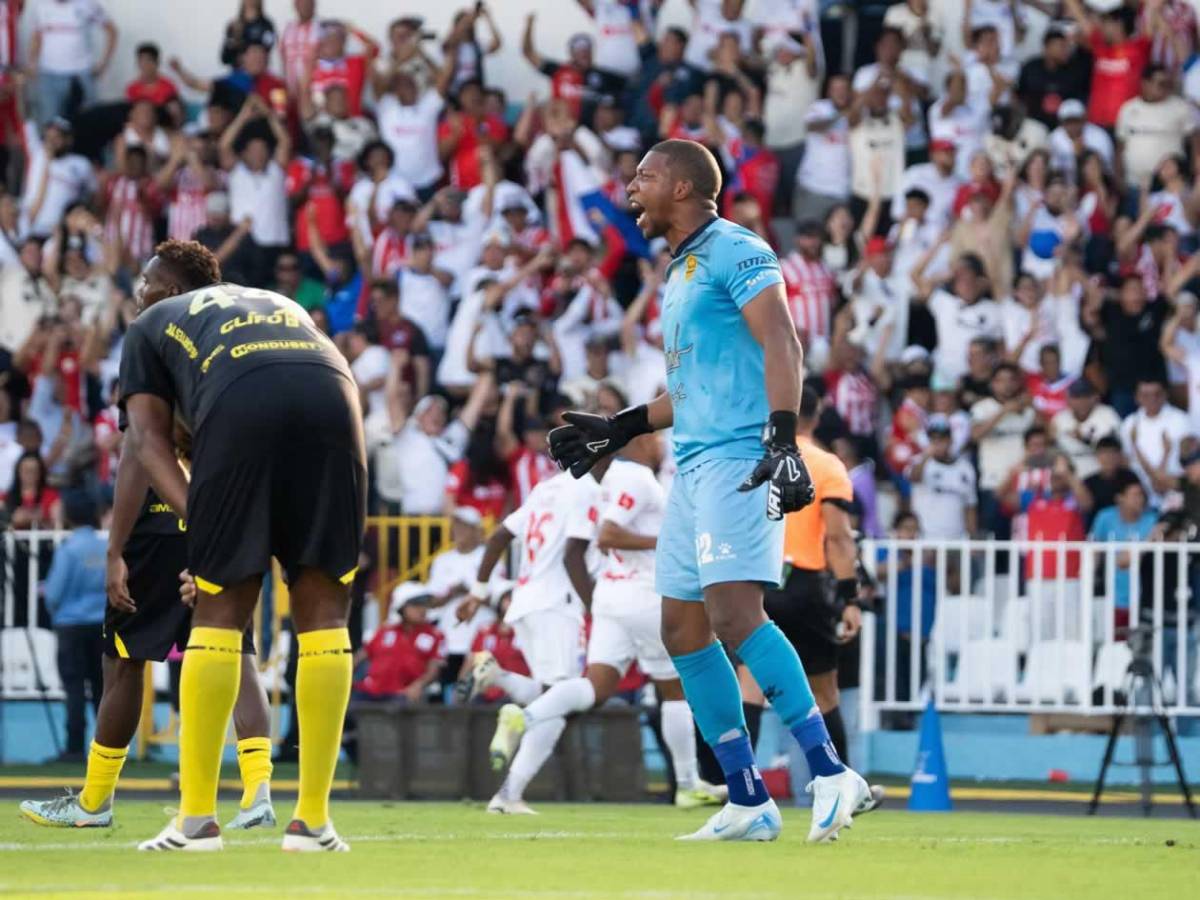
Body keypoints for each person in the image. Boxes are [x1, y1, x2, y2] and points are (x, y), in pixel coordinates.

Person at [545, 139, 872, 843]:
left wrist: (782, 441)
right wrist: (616, 426)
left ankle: (831, 771)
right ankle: (747, 798)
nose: (632, 188)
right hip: (692, 465)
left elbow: (784, 343)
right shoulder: (680, 271)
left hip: (738, 459)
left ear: (687, 189)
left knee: (733, 614)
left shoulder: (737, 249)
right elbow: (687, 389)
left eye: (645, 177)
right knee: (682, 629)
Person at [116, 240, 365, 852]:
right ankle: (313, 822)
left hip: (242, 399)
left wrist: (206, 533)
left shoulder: (151, 324)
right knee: (325, 612)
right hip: (336, 394)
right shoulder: (271, 301)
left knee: (220, 608)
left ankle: (197, 821)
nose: (138, 293)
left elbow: (146, 444)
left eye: (146, 282)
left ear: (170, 292)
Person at [22, 431, 275, 831]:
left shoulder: (154, 370)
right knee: (237, 654)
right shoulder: (228, 371)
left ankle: (95, 801)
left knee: (124, 662)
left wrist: (115, 550)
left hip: (154, 529)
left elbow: (139, 448)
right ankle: (258, 795)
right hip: (217, 521)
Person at [474, 437, 726, 813]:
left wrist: (479, 591)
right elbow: (603, 537)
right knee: (673, 689)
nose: (660, 443)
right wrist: (667, 540)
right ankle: (687, 784)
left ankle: (524, 718)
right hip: (632, 595)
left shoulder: (583, 484)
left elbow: (502, 537)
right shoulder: (633, 477)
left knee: (595, 687)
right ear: (636, 441)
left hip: (602, 595)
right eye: (654, 436)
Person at [766, 387, 881, 795]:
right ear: (816, 418)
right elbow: (837, 537)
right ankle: (841, 783)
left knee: (745, 683)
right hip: (804, 582)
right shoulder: (826, 465)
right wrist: (850, 598)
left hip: (756, 580)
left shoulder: (755, 457)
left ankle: (730, 784)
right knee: (823, 690)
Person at [38, 493, 106, 763]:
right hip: (101, 623)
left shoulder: (69, 549)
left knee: (74, 687)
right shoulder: (105, 546)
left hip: (71, 625)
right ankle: (108, 750)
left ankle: (75, 747)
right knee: (102, 687)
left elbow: (54, 593)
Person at [353, 584, 445, 701]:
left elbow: (434, 670)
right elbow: (361, 655)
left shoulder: (435, 635)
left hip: (403, 694)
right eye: (416, 605)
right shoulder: (385, 630)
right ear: (401, 607)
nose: (422, 609)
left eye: (425, 605)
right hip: (370, 691)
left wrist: (418, 685)